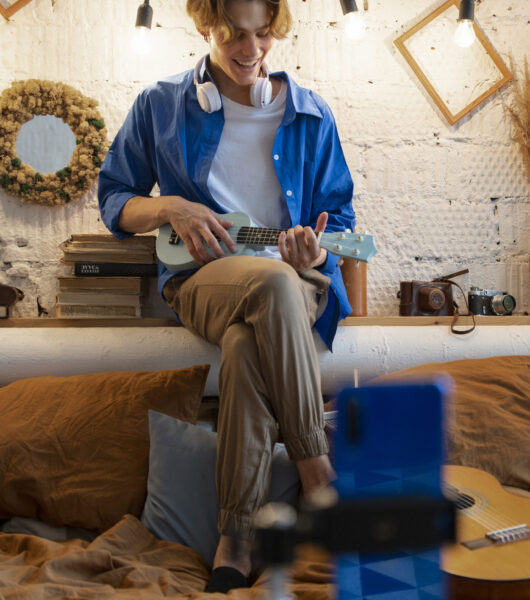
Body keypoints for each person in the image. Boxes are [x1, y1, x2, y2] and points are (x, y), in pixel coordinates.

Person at [98, 0, 355, 592]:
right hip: (205, 280)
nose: (251, 50)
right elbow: (115, 197)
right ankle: (319, 469)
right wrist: (169, 206)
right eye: (233, 34)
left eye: (263, 34)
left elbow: (338, 222)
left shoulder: (313, 115)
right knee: (267, 281)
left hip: (298, 285)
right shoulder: (160, 105)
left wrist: (317, 252)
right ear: (202, 26)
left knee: (247, 340)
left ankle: (236, 537)